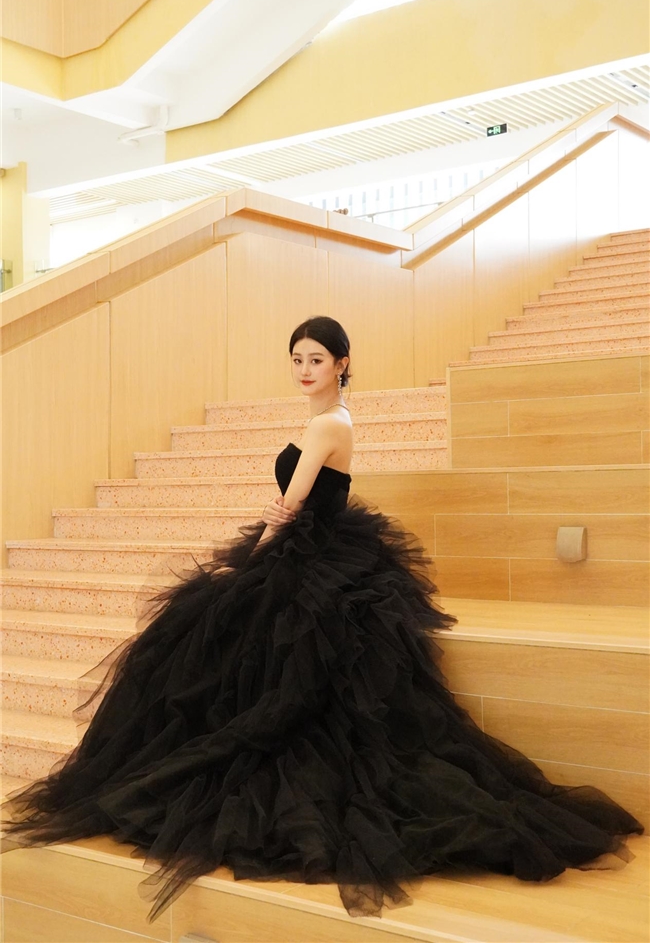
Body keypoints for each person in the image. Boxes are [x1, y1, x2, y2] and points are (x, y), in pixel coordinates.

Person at [1, 315, 643, 923]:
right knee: (221, 637)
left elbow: (289, 506)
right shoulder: (329, 418)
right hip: (318, 548)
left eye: (316, 359)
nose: (304, 369)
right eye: (296, 360)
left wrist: (249, 560)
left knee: (219, 630)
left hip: (312, 553)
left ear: (342, 364)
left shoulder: (326, 425)